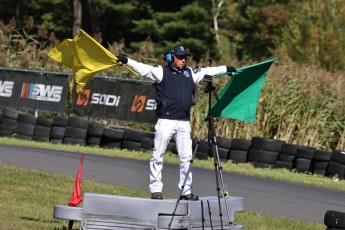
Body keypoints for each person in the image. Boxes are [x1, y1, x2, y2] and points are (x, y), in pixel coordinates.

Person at [116, 45, 236, 200]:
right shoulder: (161, 72)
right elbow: (143, 69)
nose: (183, 59)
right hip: (165, 121)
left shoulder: (190, 73)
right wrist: (126, 60)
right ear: (170, 57)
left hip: (184, 122)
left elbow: (208, 71)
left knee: (186, 158)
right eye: (180, 57)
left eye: (185, 56)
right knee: (158, 156)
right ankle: (156, 190)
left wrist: (226, 68)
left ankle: (186, 191)